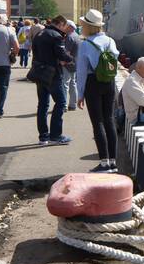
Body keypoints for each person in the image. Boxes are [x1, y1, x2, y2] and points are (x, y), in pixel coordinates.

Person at [77, 9, 120, 172]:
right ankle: (113, 162)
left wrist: (80, 94)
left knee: (98, 122)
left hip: (93, 83)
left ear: (87, 26)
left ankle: (104, 163)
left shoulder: (85, 44)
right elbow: (114, 59)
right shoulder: (110, 41)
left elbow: (81, 71)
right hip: (109, 82)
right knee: (109, 120)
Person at [30, 15, 73, 145]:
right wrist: (70, 58)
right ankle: (56, 135)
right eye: (64, 26)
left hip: (39, 72)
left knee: (43, 104)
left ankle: (43, 136)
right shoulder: (56, 36)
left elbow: (35, 52)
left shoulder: (39, 34)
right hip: (53, 74)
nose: (65, 29)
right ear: (60, 24)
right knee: (60, 102)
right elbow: (61, 55)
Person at [64, 20, 82, 110]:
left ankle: (63, 105)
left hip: (68, 64)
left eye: (65, 26)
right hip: (75, 63)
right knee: (73, 84)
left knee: (65, 84)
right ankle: (73, 104)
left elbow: (67, 53)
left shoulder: (69, 37)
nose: (63, 27)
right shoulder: (77, 36)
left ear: (70, 27)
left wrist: (62, 62)